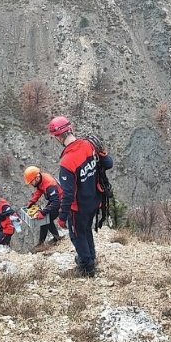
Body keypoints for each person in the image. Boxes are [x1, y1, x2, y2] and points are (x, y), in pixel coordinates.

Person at [48, 116, 113, 277]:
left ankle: (87, 267)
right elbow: (108, 163)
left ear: (57, 137)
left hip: (79, 207)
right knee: (85, 230)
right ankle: (90, 257)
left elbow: (68, 194)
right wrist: (103, 153)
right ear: (71, 129)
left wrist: (62, 217)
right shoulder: (89, 145)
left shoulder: (67, 161)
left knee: (77, 234)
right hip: (95, 200)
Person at [23, 166, 63, 252]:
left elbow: (56, 203)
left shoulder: (49, 184)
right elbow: (40, 190)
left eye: (31, 182)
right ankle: (57, 237)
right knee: (48, 218)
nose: (30, 184)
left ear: (36, 178)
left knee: (45, 219)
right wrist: (32, 201)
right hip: (56, 200)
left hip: (61, 201)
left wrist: (43, 213)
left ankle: (41, 244)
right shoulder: (41, 178)